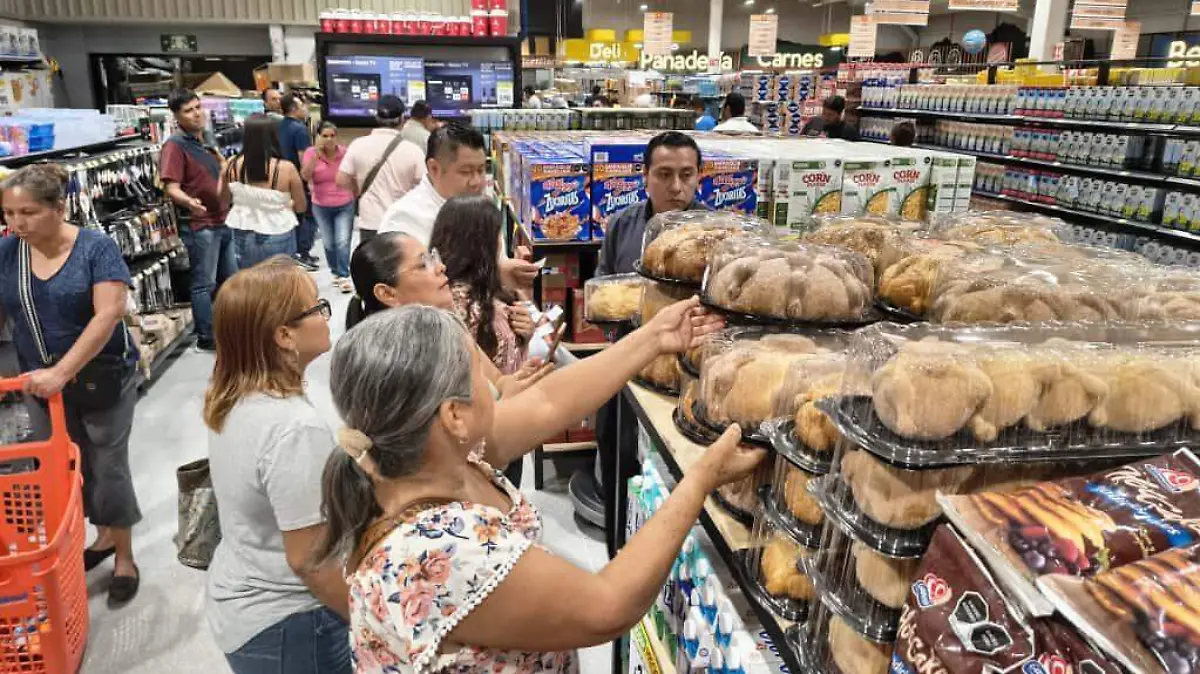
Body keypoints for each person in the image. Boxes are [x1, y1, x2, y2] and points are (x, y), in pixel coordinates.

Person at [315, 301, 759, 674]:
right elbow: (608, 606)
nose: (493, 379)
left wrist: (653, 338)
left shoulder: (420, 458)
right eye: (477, 370)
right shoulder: (440, 554)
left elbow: (549, 402)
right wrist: (699, 479)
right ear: (453, 415)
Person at [0, 164, 143, 604]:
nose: (16, 223)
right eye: (8, 212)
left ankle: (124, 556)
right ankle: (99, 539)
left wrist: (63, 371)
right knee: (67, 467)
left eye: (27, 212)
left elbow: (109, 312)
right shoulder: (9, 252)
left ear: (59, 209)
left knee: (108, 466)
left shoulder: (95, 248)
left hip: (102, 377)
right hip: (38, 383)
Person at [202, 259, 351, 674]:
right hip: (291, 619)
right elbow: (309, 561)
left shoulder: (233, 394)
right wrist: (368, 619)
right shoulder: (293, 428)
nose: (326, 317)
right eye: (317, 308)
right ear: (285, 335)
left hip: (243, 594)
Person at [378, 123, 540, 291]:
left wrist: (506, 270)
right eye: (466, 172)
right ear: (434, 169)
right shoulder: (404, 219)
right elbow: (411, 290)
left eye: (481, 170)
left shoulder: (480, 209)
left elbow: (495, 261)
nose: (477, 182)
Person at [161, 88, 236, 352]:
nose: (196, 114)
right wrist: (189, 202)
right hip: (201, 225)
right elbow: (171, 187)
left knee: (230, 281)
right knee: (204, 283)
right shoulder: (174, 146)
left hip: (224, 219)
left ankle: (229, 329)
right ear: (177, 116)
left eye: (197, 107)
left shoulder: (206, 140)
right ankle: (206, 337)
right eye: (188, 111)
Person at [597, 131, 705, 276]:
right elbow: (603, 287)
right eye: (665, 175)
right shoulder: (621, 224)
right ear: (646, 175)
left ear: (698, 176)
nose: (676, 187)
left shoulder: (716, 230)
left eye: (686, 175)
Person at [220, 114, 307, 270]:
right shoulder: (286, 168)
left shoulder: (231, 165)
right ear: (273, 135)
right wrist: (284, 204)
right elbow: (301, 206)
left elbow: (223, 199)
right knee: (281, 284)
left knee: (250, 283)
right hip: (278, 230)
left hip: (242, 232)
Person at [336, 95, 426, 244]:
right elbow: (424, 185)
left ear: (376, 117)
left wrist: (357, 189)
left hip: (370, 222)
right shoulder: (413, 150)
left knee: (372, 266)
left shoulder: (358, 145)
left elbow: (341, 180)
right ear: (403, 119)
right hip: (401, 222)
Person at [303, 121, 356, 292]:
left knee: (342, 241)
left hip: (344, 203)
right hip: (321, 204)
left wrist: (355, 193)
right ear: (318, 137)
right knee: (328, 242)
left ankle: (343, 274)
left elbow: (353, 174)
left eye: (332, 136)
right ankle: (335, 271)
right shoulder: (310, 153)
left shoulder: (345, 153)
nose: (329, 139)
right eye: (324, 136)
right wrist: (315, 156)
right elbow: (305, 176)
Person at [277, 93, 319, 270]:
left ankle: (295, 253)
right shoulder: (300, 129)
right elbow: (304, 159)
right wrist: (310, 181)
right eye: (302, 106)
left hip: (281, 180)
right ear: (294, 109)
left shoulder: (278, 126)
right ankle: (303, 253)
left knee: (292, 217)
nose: (306, 109)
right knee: (307, 216)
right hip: (298, 181)